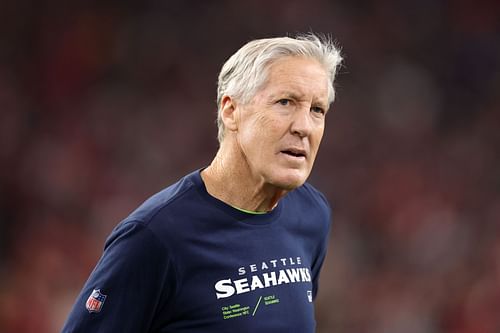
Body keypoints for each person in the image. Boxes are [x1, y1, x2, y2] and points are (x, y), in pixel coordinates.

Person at [61, 33, 343, 332]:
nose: (303, 127)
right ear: (231, 110)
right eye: (285, 102)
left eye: (317, 110)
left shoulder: (312, 214)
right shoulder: (154, 237)